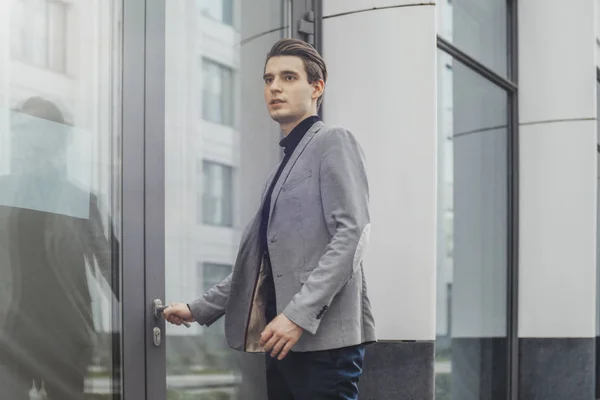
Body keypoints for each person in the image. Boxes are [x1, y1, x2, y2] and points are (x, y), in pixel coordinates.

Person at [164, 38, 376, 399]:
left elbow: (352, 234)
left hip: (322, 344)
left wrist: (297, 315)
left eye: (289, 77)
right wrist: (197, 309)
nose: (275, 87)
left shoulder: (333, 142)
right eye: (268, 79)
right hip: (279, 342)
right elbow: (257, 262)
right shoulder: (281, 168)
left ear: (316, 87)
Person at [0, 97, 118, 399]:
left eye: (40, 130)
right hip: (10, 336)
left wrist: (151, 310)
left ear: (58, 140)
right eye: (23, 129)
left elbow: (110, 264)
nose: (30, 138)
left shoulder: (80, 199)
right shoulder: (3, 191)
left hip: (64, 339)